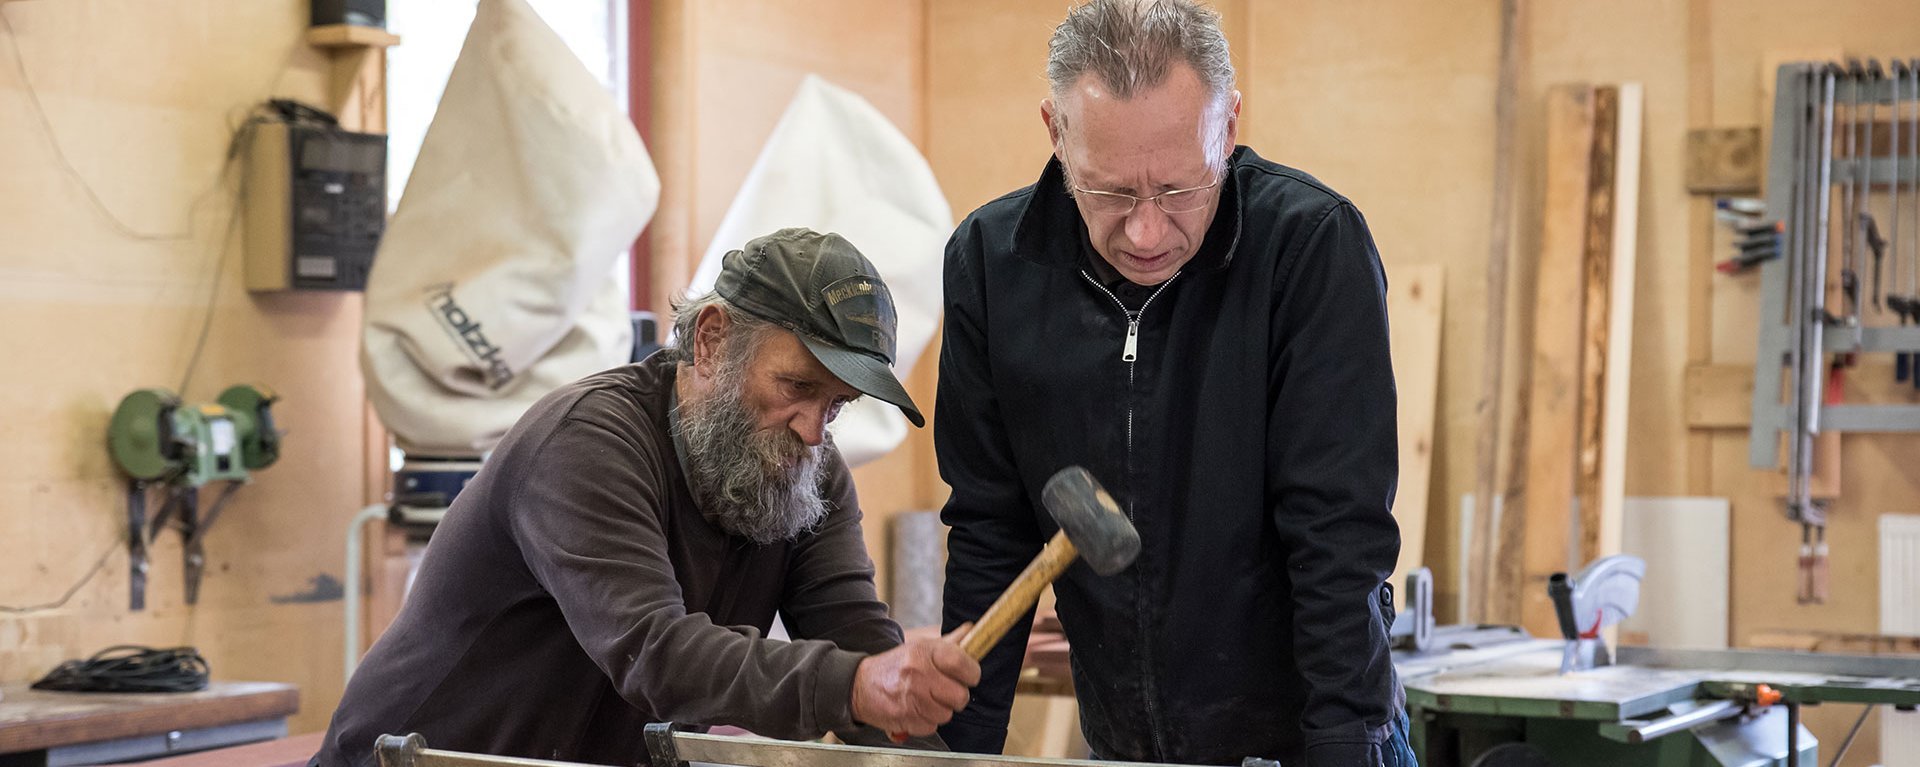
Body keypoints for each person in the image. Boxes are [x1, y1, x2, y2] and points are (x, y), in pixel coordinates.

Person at [935, 1, 1414, 765]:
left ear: (1226, 129)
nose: (1148, 232)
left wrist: (1342, 750)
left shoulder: (1310, 250)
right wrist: (956, 755)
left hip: (1308, 742)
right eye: (1112, 192)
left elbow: (1336, 544)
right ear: (1057, 136)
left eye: (1180, 189)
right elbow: (992, 537)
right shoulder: (993, 269)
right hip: (1125, 747)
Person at [315, 228, 979, 767]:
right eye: (797, 386)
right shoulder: (585, 446)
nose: (814, 429)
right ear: (712, 340)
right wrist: (857, 685)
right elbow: (657, 654)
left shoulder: (809, 465)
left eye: (837, 406)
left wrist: (907, 720)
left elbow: (859, 646)